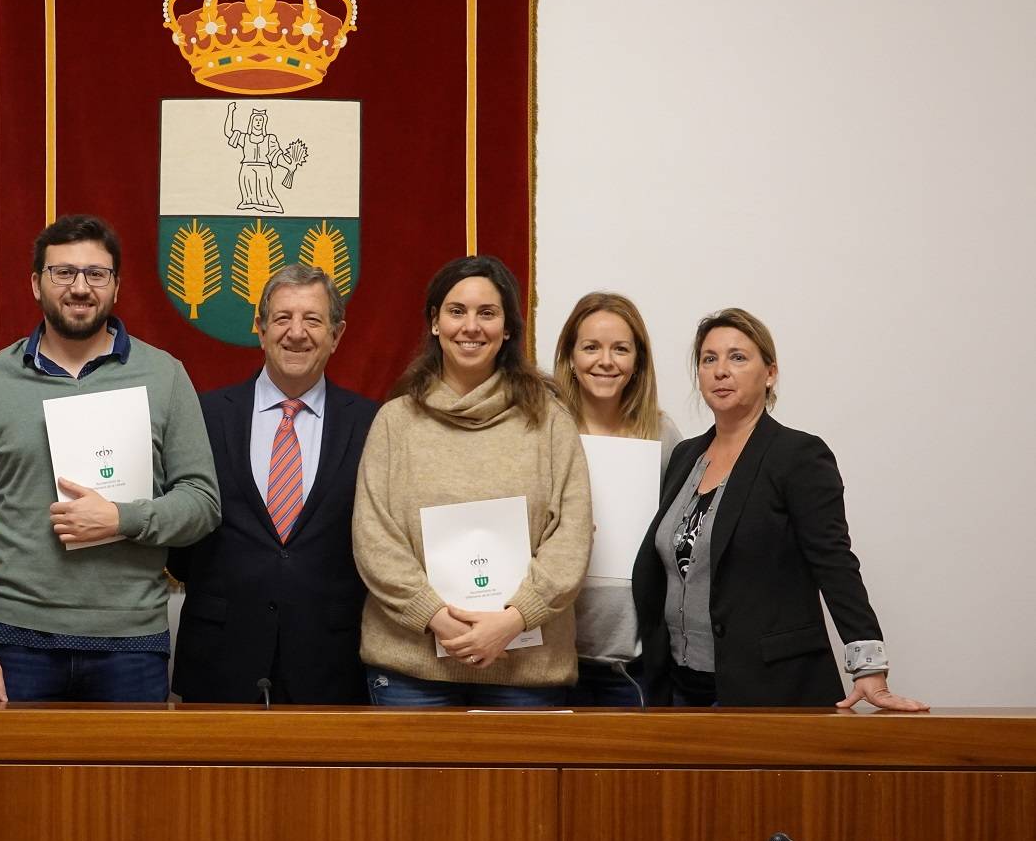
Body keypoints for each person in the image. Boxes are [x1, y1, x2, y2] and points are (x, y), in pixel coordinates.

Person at [0, 214, 220, 703]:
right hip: (13, 639)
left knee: (130, 784)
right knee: (8, 783)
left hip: (132, 644)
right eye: (63, 272)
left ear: (115, 286)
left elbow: (202, 503)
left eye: (96, 274)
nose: (79, 287)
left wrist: (122, 518)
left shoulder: (165, 376)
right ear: (35, 283)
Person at [631, 308, 927, 709]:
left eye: (738, 357)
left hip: (768, 687)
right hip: (680, 688)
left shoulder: (797, 455)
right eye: (709, 358)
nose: (721, 370)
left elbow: (834, 561)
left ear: (769, 373)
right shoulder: (686, 456)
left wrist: (868, 665)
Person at [354, 256, 592, 706]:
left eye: (488, 313)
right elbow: (373, 539)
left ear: (507, 329)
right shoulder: (394, 423)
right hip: (412, 670)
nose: (471, 326)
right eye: (456, 311)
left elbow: (572, 536)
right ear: (435, 323)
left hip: (526, 670)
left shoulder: (550, 421)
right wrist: (437, 618)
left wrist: (514, 620)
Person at [168, 265, 377, 704]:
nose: (296, 333)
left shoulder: (374, 424)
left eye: (313, 320)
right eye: (282, 319)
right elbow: (181, 541)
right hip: (220, 657)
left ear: (337, 335)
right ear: (259, 330)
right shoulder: (204, 416)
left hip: (332, 662)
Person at [551, 292, 682, 706]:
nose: (605, 361)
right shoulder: (540, 428)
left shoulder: (662, 435)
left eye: (620, 349)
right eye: (591, 347)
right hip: (550, 660)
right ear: (570, 357)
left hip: (632, 665)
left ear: (637, 361)